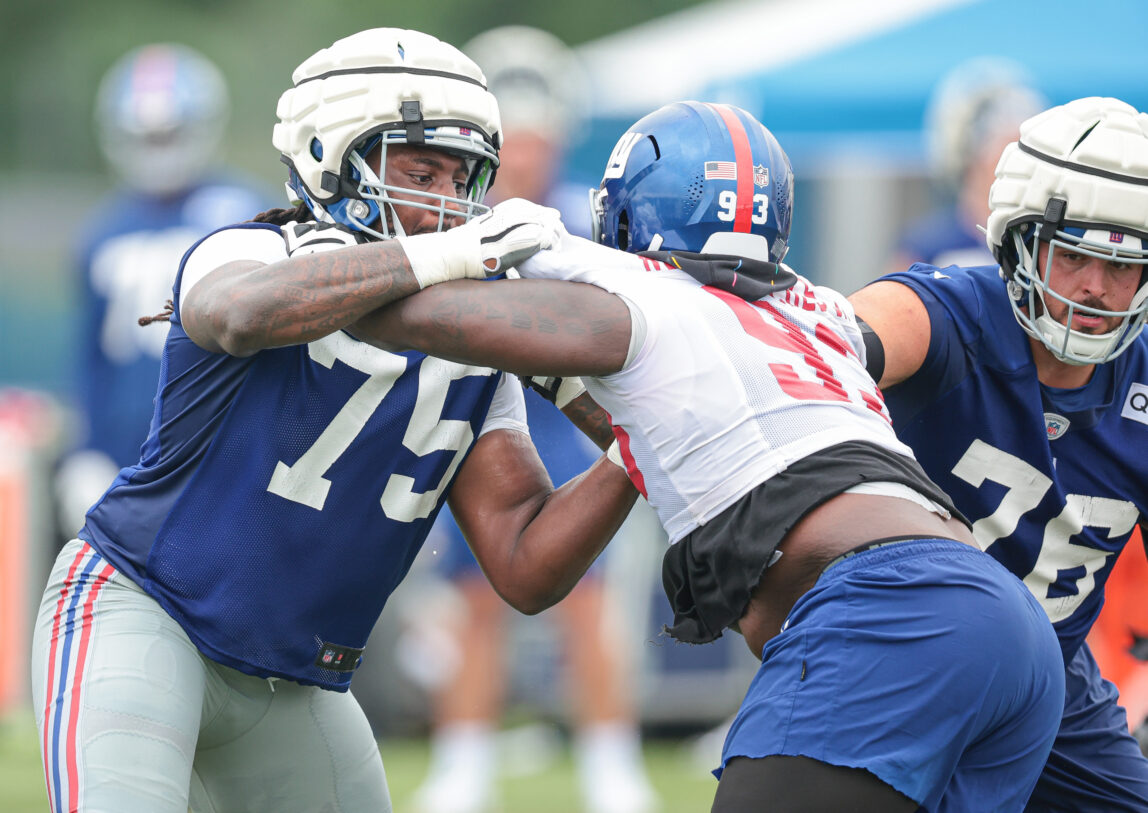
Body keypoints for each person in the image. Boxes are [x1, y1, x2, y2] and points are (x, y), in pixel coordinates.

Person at [356, 100, 1065, 812]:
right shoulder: (814, 310)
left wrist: (396, 253)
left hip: (882, 613)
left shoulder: (635, 297)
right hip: (1007, 620)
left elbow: (395, 311)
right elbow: (549, 549)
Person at [30, 28, 640, 813]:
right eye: (421, 172)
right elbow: (242, 312)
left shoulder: (474, 351)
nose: (448, 205)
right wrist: (446, 260)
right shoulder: (252, 248)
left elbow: (524, 563)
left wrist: (634, 445)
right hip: (146, 618)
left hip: (296, 683)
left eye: (464, 179)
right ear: (330, 157)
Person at [850, 95, 1148, 811]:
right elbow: (822, 345)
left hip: (1053, 676)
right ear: (1019, 239)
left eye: (1124, 262)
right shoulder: (948, 315)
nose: (1095, 287)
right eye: (1073, 251)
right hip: (896, 653)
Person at [408, 26, 655, 813]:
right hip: (481, 414)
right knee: (477, 599)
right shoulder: (459, 211)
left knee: (586, 602)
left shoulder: (586, 208)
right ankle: (464, 764)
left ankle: (611, 766)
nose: (525, 154)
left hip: (571, 414)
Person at [54, 43, 269, 533]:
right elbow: (91, 357)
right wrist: (85, 450)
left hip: (224, 447)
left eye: (170, 135)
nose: (159, 151)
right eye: (146, 138)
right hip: (127, 449)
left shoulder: (247, 211)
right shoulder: (104, 231)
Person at [887, 57, 1045, 273]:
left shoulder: (1041, 240)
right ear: (969, 155)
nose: (1019, 165)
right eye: (1004, 149)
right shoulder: (928, 245)